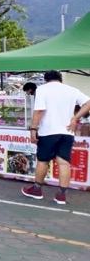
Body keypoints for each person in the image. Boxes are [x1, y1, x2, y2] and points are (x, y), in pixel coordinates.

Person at [21, 70, 90, 205]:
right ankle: (61, 195)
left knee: (43, 161)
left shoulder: (42, 89)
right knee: (64, 162)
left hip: (48, 132)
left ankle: (37, 190)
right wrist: (75, 118)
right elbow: (88, 103)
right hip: (67, 132)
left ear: (46, 79)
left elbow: (39, 111)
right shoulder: (72, 90)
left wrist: (33, 129)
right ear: (60, 79)